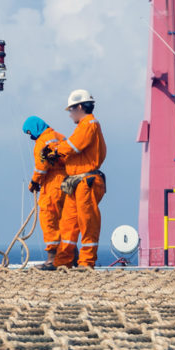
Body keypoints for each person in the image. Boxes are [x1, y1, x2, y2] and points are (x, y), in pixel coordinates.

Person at [51, 90, 107, 269]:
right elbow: (73, 149)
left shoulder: (88, 124)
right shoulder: (84, 126)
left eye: (71, 110)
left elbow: (74, 146)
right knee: (68, 223)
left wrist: (55, 151)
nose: (69, 114)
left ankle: (86, 262)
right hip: (76, 183)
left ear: (80, 106)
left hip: (86, 182)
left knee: (87, 222)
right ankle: (63, 262)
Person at [22, 116, 67, 270]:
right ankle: (69, 257)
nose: (31, 137)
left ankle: (52, 259)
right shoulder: (60, 136)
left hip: (53, 182)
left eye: (30, 133)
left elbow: (42, 165)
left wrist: (34, 182)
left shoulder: (43, 140)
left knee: (49, 217)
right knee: (65, 221)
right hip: (67, 181)